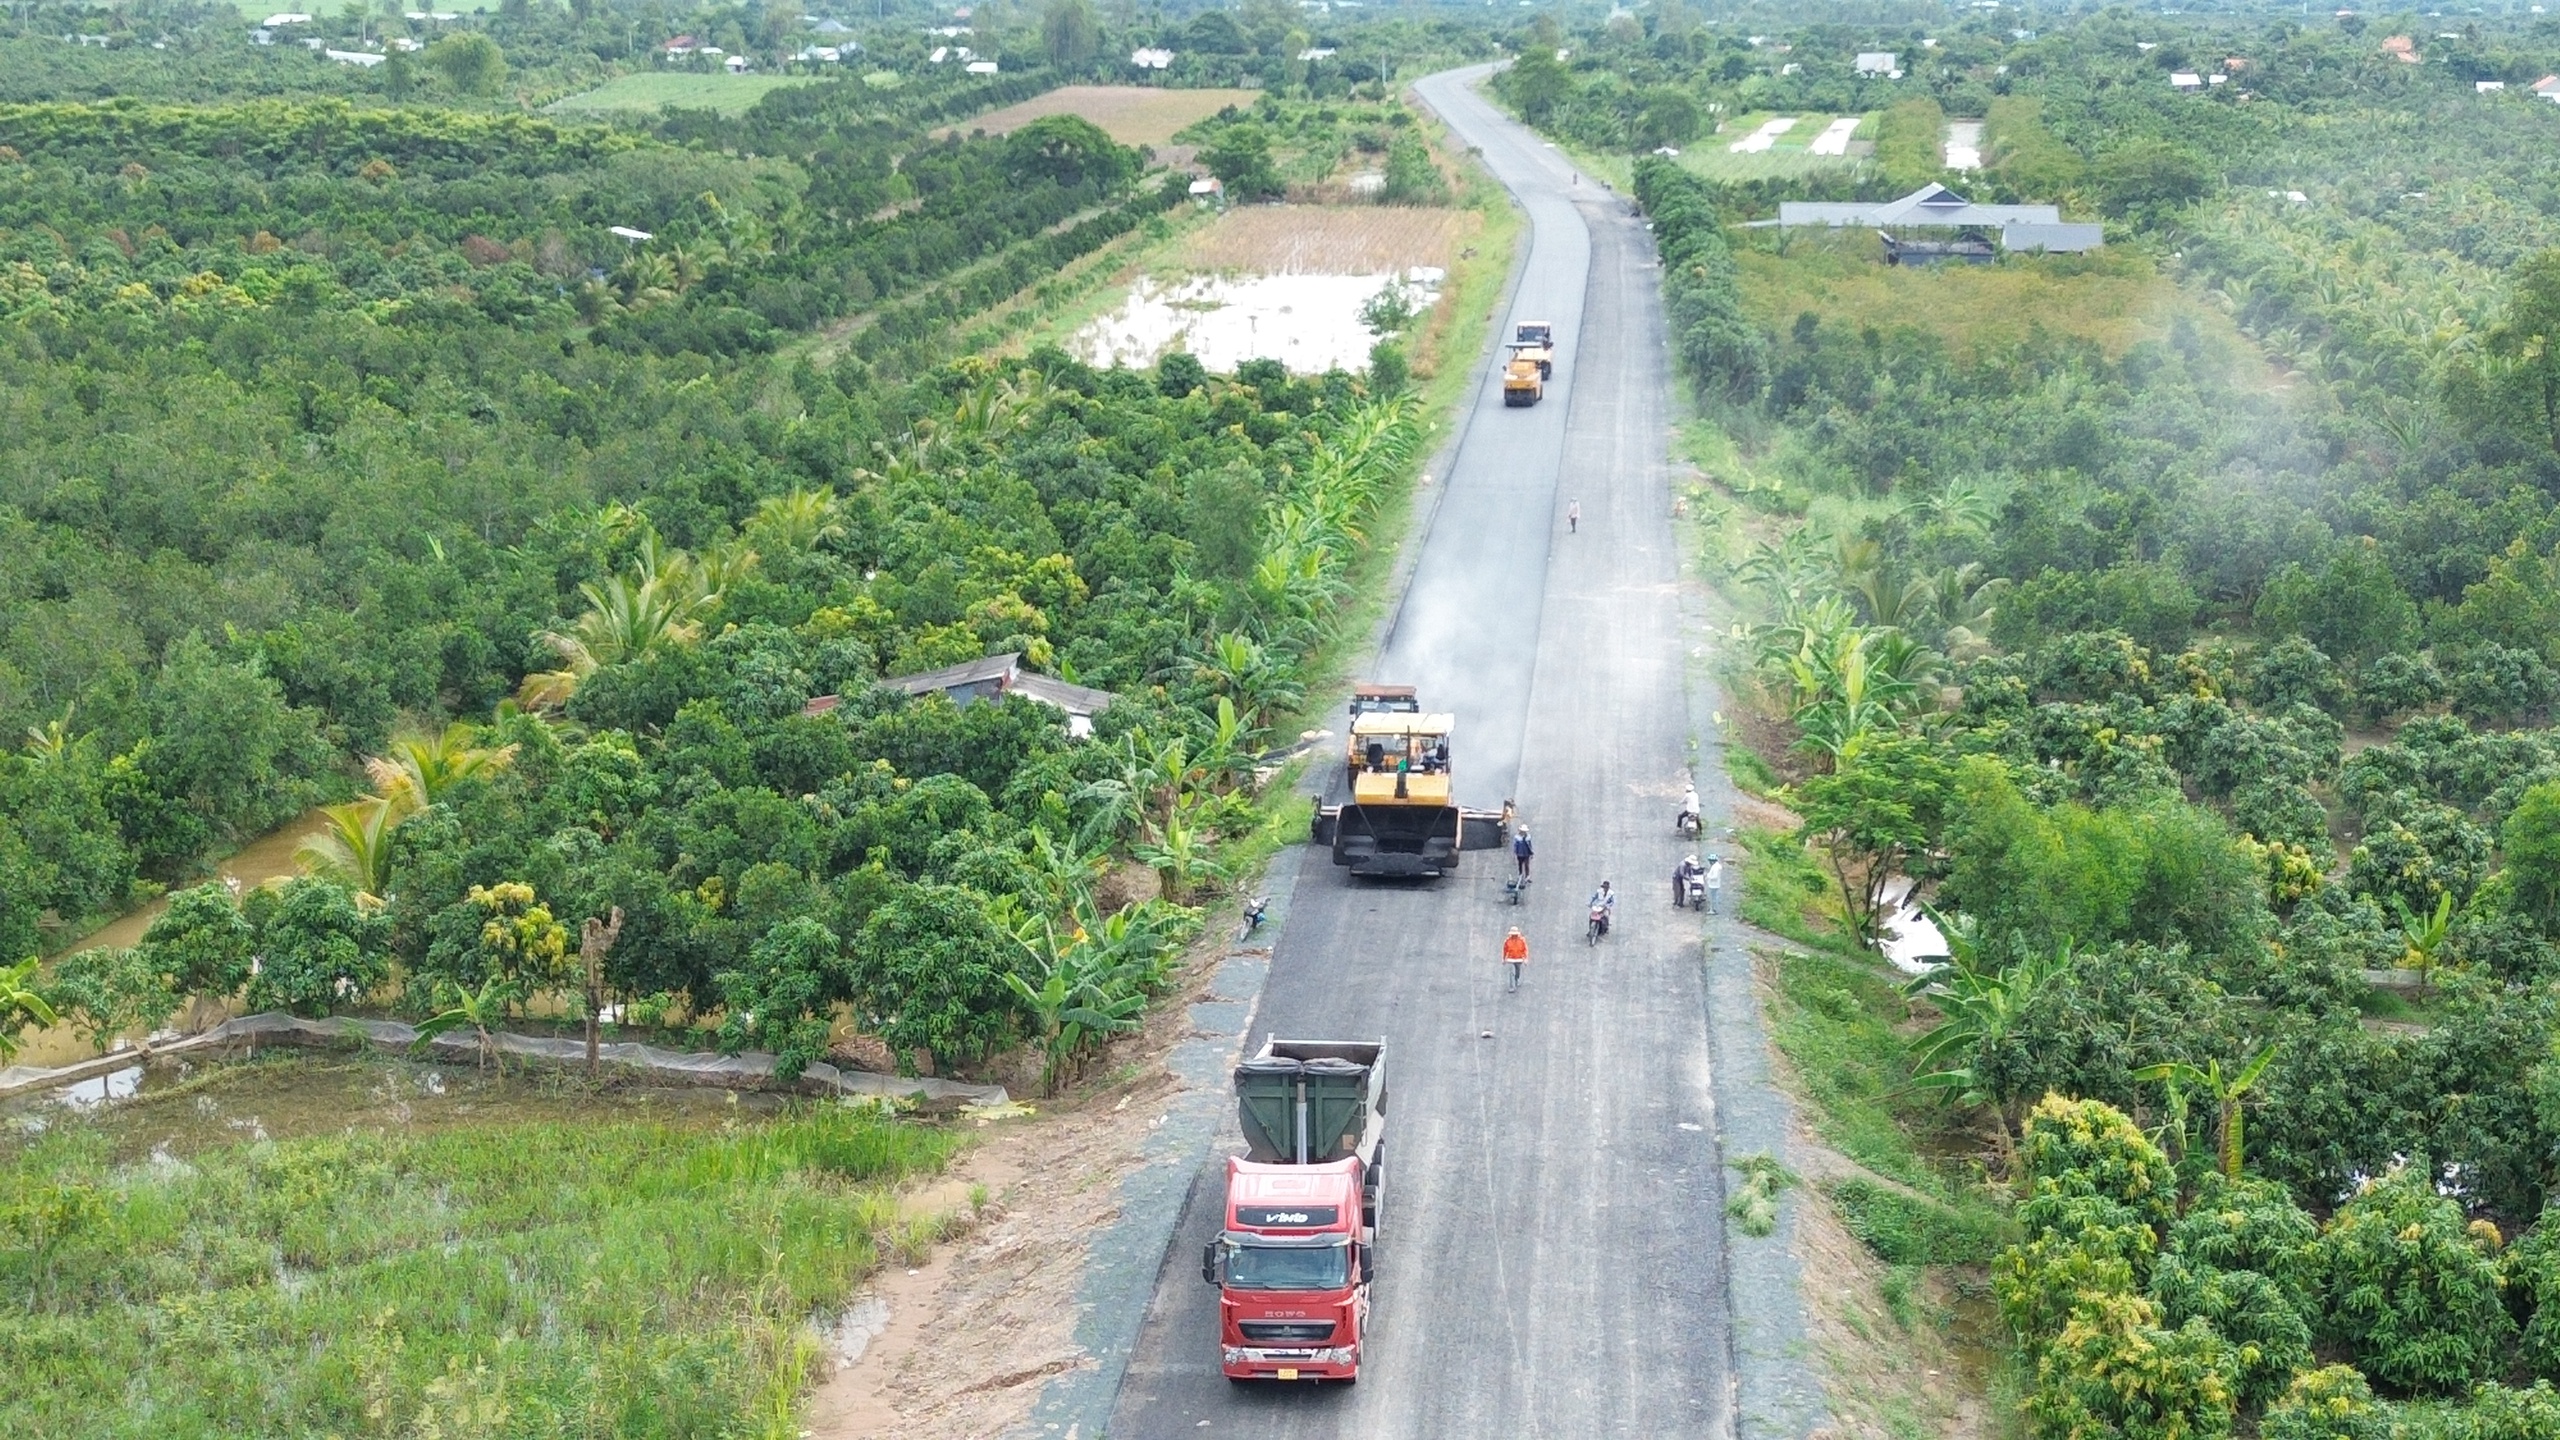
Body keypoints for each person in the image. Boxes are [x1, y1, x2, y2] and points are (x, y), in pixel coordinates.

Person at [1502, 926, 1529, 992]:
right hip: (1510, 959)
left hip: (1519, 959)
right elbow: (1505, 950)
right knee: (1511, 973)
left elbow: (1525, 949)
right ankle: (1512, 987)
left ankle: (1516, 979)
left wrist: (1525, 958)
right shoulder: (1507, 941)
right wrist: (1504, 958)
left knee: (1517, 971)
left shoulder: (1522, 940)